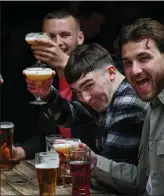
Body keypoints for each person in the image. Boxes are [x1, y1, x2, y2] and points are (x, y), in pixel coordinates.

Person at [81, 18, 164, 195]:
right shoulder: (153, 107)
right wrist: (93, 163)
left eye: (144, 58)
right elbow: (142, 181)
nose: (134, 70)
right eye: (127, 63)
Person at [25, 43, 149, 194]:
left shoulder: (128, 104)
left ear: (111, 72)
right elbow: (71, 116)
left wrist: (80, 166)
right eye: (78, 91)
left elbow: (115, 180)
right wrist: (47, 94)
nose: (85, 98)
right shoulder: (108, 93)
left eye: (89, 85)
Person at [12, 10, 100, 160]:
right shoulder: (48, 77)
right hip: (62, 168)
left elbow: (93, 128)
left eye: (65, 35)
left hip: (94, 169)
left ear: (80, 38)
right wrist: (18, 152)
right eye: (51, 37)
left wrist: (66, 63)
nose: (58, 42)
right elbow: (45, 136)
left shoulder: (98, 69)